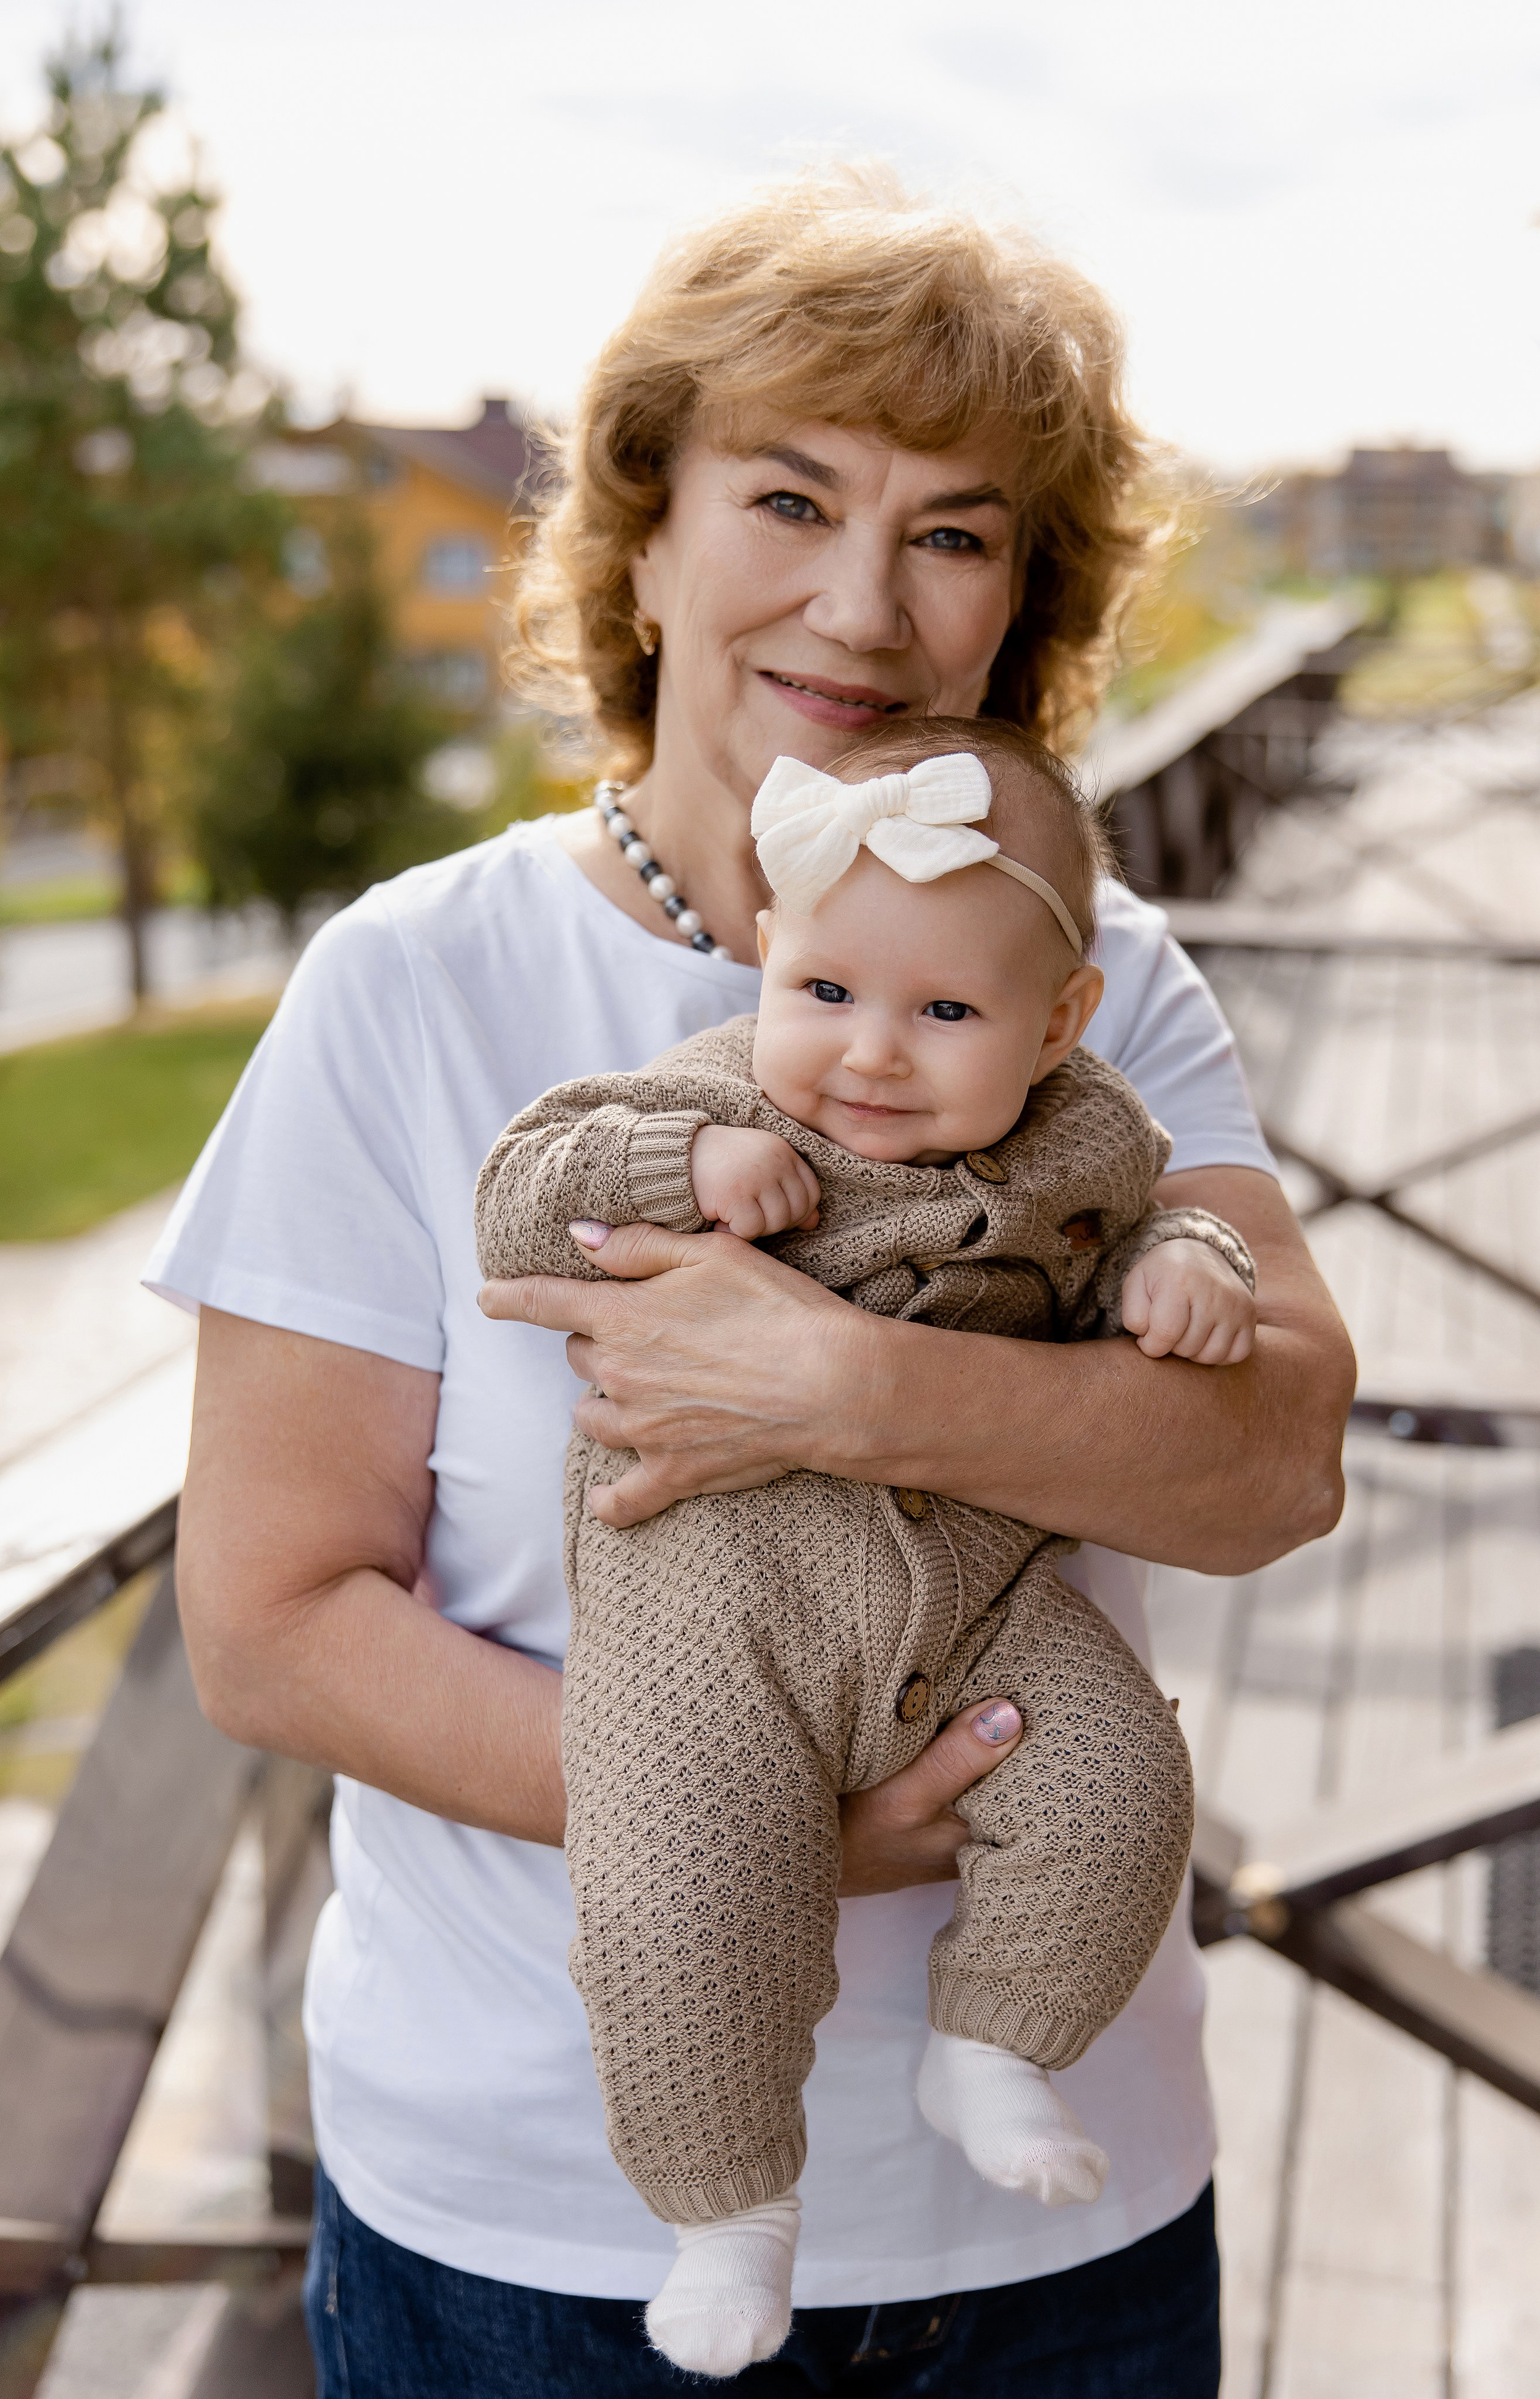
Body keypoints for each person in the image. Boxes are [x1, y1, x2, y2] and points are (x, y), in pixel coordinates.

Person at [159, 168, 1354, 2397]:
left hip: (1060, 2229)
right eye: (790, 497)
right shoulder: (415, 983)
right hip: (534, 2241)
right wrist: (782, 1819)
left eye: (955, 532)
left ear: (1023, 601)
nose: (862, 605)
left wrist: (841, 1388)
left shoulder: (1118, 987)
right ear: (647, 527)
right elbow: (272, 1620)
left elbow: (1276, 1456)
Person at [473, 719, 1258, 2378]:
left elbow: (1150, 1231)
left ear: (1059, 1022)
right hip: (712, 1611)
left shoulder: (1092, 1139)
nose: (872, 1053)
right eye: (825, 992)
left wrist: (1195, 1265)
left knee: (1123, 1781)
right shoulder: (703, 1092)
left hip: (972, 1612)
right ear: (771, 955)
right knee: (679, 1901)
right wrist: (683, 1161)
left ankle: (993, 2041)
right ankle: (729, 2207)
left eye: (947, 1012)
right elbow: (524, 1193)